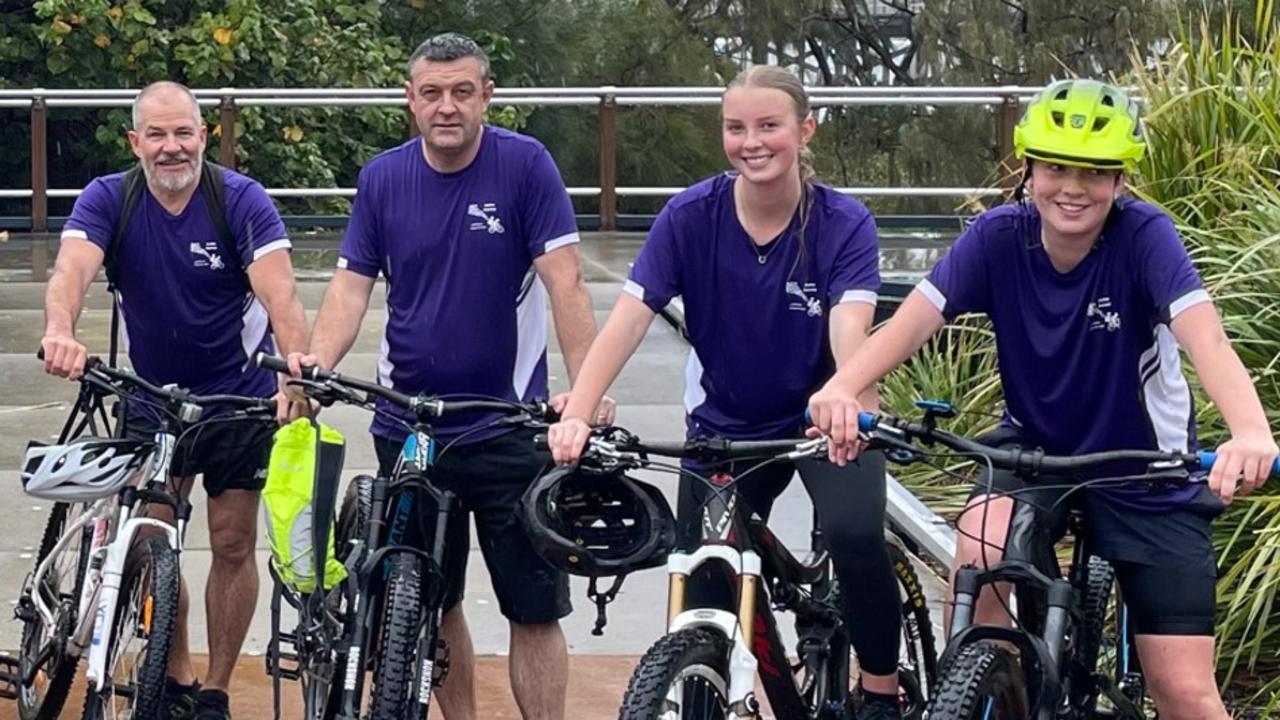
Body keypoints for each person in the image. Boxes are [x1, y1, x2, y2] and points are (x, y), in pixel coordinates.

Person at [808, 79, 1279, 720]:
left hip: (1144, 468)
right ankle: (993, 686)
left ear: (1119, 180)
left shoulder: (1145, 237)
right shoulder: (999, 237)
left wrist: (1250, 432)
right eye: (1055, 167)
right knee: (980, 545)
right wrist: (840, 387)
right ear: (1028, 169)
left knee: (1184, 692)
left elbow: (1208, 341)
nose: (1072, 188)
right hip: (1034, 450)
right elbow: (911, 323)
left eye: (1093, 172)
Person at [547, 65, 906, 719]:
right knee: (704, 579)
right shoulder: (690, 217)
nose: (752, 142)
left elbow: (851, 330)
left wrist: (848, 397)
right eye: (735, 128)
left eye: (769, 126)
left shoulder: (842, 224)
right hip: (727, 425)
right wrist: (578, 409)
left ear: (805, 129)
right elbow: (628, 319)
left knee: (855, 537)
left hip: (824, 424)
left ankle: (881, 689)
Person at [290, 33, 609, 720]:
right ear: (410, 100)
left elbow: (567, 284)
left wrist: (584, 397)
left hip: (508, 428)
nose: (447, 106)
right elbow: (350, 288)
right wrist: (317, 366)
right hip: (409, 430)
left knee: (532, 607)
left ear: (487, 96)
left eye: (463, 91)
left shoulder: (526, 167)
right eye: (431, 93)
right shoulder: (382, 178)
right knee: (429, 598)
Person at [40, 81, 309, 720]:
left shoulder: (238, 200)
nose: (170, 148)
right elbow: (70, 272)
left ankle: (215, 687)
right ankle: (175, 667)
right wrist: (59, 330)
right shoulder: (111, 198)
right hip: (152, 396)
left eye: (182, 133)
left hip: (239, 399)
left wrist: (296, 375)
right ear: (136, 142)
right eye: (156, 135)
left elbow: (282, 297)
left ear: (203, 136)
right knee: (152, 535)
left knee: (233, 542)